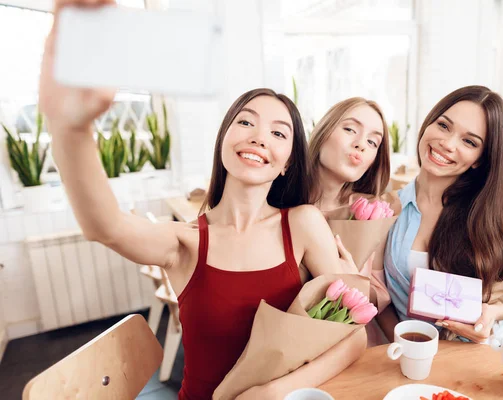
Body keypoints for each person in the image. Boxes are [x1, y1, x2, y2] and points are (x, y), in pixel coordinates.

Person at [40, 2, 366, 399]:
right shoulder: (186, 242)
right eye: (245, 122)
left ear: (287, 164)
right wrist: (69, 128)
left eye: (279, 133)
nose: (259, 137)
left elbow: (353, 339)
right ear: (224, 140)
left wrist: (272, 392)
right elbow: (105, 226)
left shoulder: (303, 224)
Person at [382, 86, 503, 343]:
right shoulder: (385, 211)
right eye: (444, 126)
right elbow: (379, 295)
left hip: (486, 353)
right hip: (415, 354)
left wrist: (492, 313)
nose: (447, 144)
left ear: (480, 158)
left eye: (469, 141)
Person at [306, 97, 396, 344]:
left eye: (372, 142)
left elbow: (379, 293)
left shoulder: (371, 214)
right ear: (323, 131)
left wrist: (353, 283)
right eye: (349, 129)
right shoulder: (279, 206)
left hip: (353, 345)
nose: (361, 145)